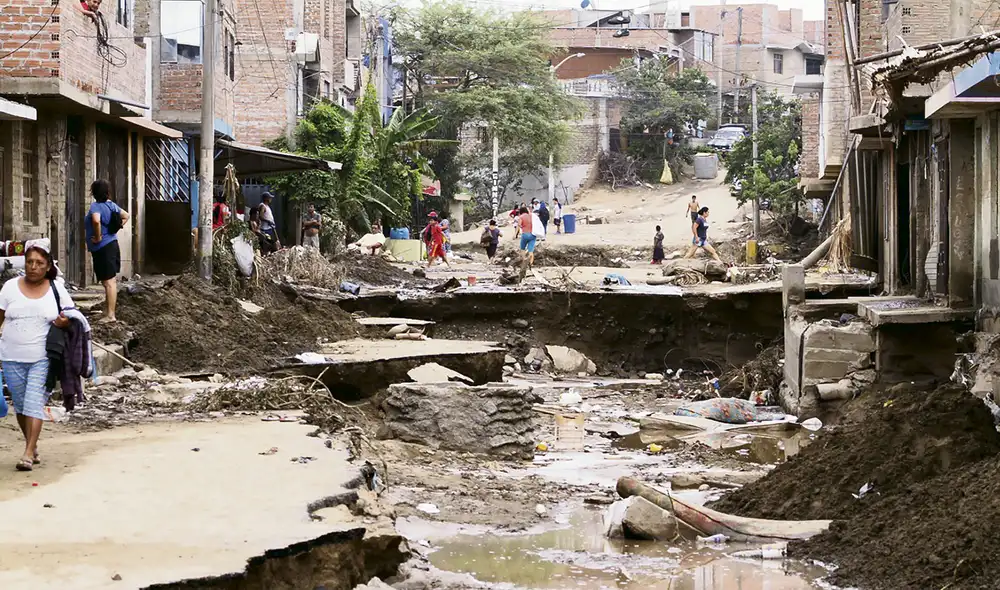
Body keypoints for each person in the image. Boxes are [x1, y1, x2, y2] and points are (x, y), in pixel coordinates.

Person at [0, 245, 74, 471]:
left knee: (34, 403)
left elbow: (72, 315)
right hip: (11, 356)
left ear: (48, 266)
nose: (33, 267)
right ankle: (32, 446)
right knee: (22, 406)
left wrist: (65, 322)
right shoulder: (10, 287)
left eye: (39, 263)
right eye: (30, 262)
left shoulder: (56, 289)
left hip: (43, 357)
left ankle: (27, 454)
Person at [86, 179, 128, 323]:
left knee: (109, 282)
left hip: (103, 248)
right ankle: (108, 312)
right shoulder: (111, 206)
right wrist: (114, 228)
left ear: (94, 192)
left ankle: (111, 315)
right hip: (111, 246)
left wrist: (98, 237)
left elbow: (96, 221)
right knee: (108, 281)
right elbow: (126, 216)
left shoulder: (96, 207)